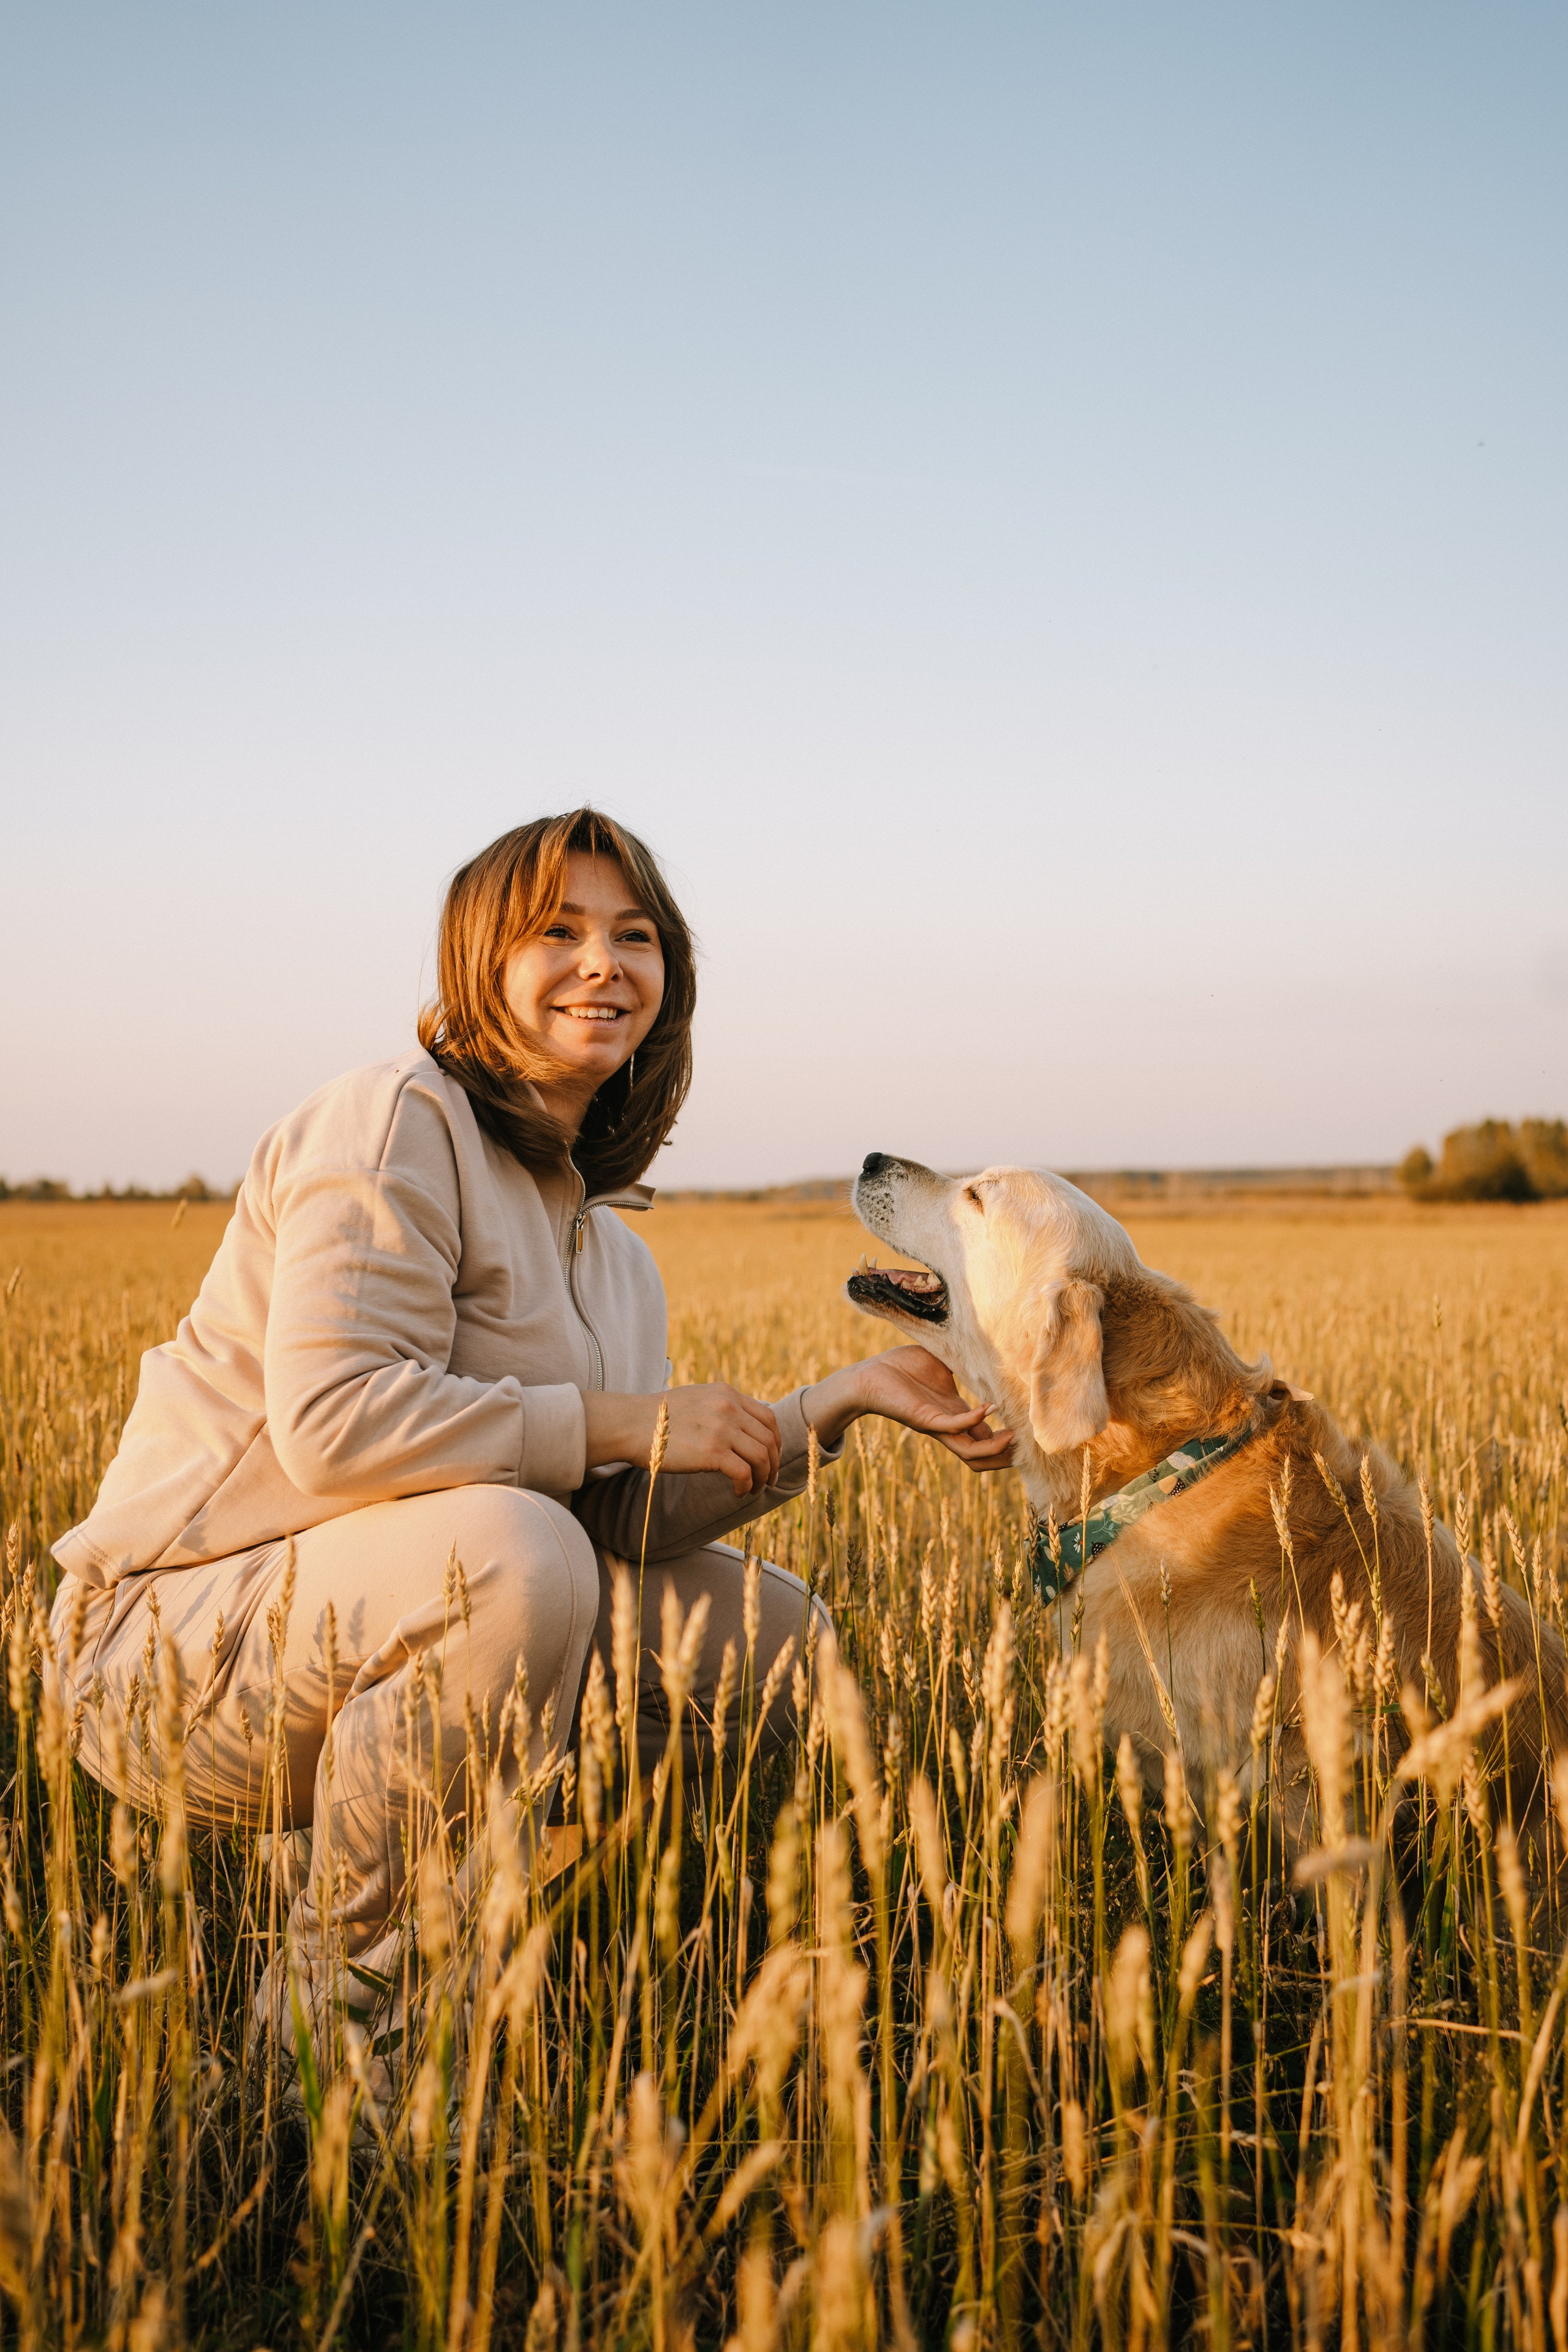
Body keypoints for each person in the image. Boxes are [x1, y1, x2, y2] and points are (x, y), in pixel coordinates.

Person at [48, 808, 1009, 2034]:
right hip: (173, 1642)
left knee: (769, 1633)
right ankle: (348, 2042)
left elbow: (611, 1510)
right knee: (520, 1557)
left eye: (634, 934)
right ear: (478, 965)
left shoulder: (611, 1249)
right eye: (557, 930)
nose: (603, 962)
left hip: (382, 1620)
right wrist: (619, 1414)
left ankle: (496, 1922)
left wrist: (834, 1405)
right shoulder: (393, 1118)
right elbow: (336, 1424)